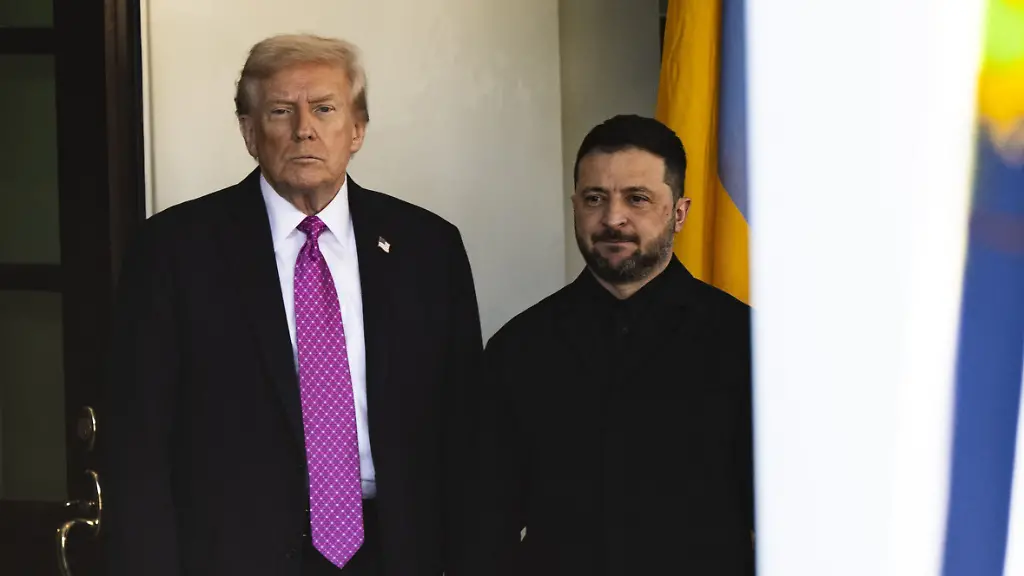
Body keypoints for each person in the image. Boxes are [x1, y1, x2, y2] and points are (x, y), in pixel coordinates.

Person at [103, 34, 482, 576]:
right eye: (281, 111)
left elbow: (464, 428)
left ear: (357, 130)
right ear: (249, 132)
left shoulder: (428, 248)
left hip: (396, 551)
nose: (304, 128)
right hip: (232, 553)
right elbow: (137, 441)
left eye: (324, 109)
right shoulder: (174, 250)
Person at [474, 115, 754, 575]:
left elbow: (788, 518)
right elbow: (487, 525)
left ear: (679, 212)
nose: (613, 218)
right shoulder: (517, 349)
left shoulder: (745, 344)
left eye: (637, 198)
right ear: (575, 207)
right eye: (595, 198)